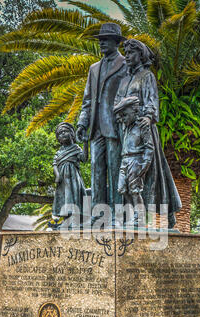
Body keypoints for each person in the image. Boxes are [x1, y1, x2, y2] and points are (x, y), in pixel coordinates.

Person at [115, 38, 182, 228]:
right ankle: (133, 216)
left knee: (155, 176)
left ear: (141, 55)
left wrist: (148, 116)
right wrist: (124, 108)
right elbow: (116, 105)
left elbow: (152, 101)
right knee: (129, 182)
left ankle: (167, 214)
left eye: (131, 53)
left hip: (144, 128)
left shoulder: (146, 76)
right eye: (126, 53)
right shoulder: (124, 80)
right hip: (126, 129)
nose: (127, 56)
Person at [76, 23, 127, 225]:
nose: (102, 43)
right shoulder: (94, 68)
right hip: (95, 128)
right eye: (100, 40)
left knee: (115, 170)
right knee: (96, 171)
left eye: (105, 39)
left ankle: (117, 214)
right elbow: (87, 98)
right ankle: (98, 214)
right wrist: (82, 122)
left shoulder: (125, 65)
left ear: (116, 42)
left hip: (115, 128)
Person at [113, 96, 154, 226]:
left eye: (124, 115)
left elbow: (149, 146)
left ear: (134, 111)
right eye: (121, 116)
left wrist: (145, 163)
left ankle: (139, 218)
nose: (122, 119)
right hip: (125, 160)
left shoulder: (142, 126)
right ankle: (134, 214)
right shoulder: (126, 127)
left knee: (135, 191)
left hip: (136, 160)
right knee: (121, 189)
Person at [52, 122, 87, 223]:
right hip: (62, 180)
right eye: (59, 134)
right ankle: (66, 219)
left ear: (72, 134)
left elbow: (84, 158)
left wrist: (85, 143)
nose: (62, 134)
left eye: (64, 131)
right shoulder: (59, 152)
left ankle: (75, 218)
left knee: (74, 197)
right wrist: (57, 175)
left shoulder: (76, 148)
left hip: (73, 179)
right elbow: (54, 164)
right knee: (64, 198)